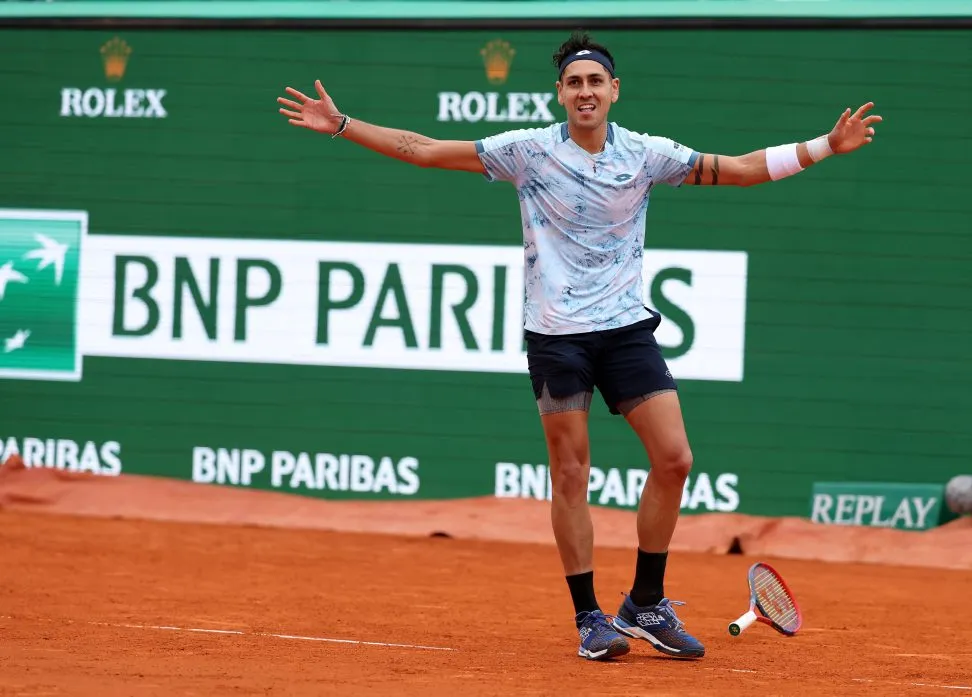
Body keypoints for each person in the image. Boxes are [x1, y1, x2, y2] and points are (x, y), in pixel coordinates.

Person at [277, 30, 882, 662]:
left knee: (675, 459)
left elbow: (740, 170)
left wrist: (825, 146)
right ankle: (590, 618)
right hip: (556, 336)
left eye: (595, 81)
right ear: (560, 93)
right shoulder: (528, 151)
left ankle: (645, 603)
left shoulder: (647, 154)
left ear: (614, 90)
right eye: (574, 82)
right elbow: (426, 150)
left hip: (625, 330)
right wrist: (342, 124)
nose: (585, 91)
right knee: (570, 474)